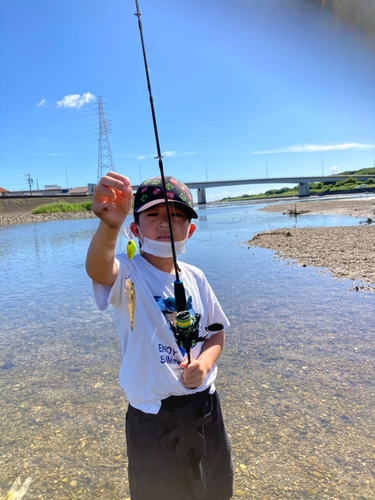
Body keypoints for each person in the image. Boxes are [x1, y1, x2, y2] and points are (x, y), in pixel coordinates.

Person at [86, 171, 233, 500]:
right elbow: (98, 269)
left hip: (205, 409)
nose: (166, 223)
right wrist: (110, 227)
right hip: (152, 418)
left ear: (190, 230)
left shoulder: (197, 277)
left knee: (217, 489)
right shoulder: (127, 271)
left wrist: (205, 365)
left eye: (176, 216)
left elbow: (216, 334)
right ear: (135, 230)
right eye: (153, 214)